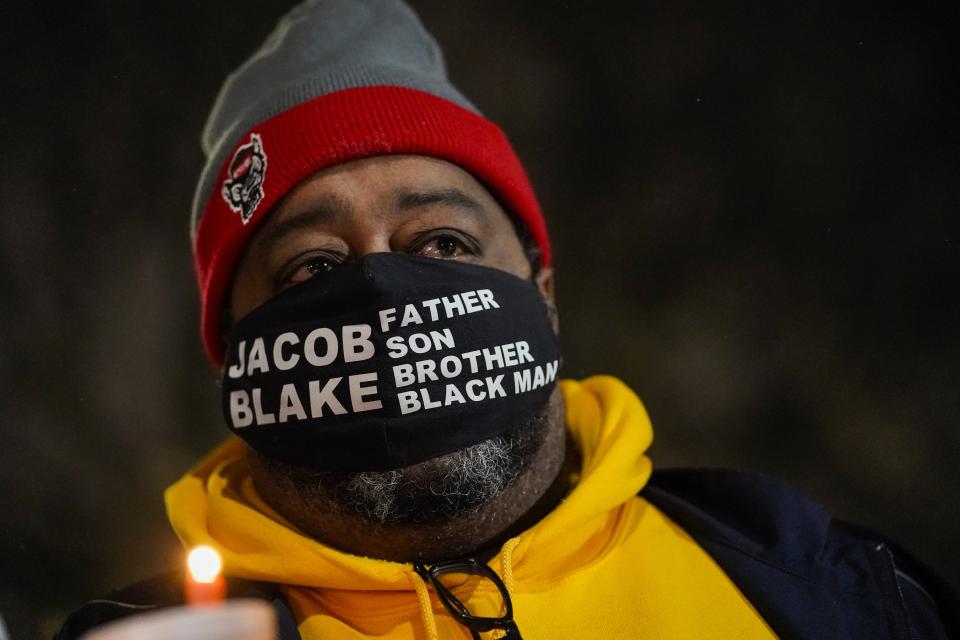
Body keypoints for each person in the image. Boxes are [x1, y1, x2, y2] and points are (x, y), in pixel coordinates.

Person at [57, 1, 956, 638]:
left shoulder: (832, 593)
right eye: (313, 266)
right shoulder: (155, 637)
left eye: (441, 243)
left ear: (543, 289)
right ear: (232, 355)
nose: (384, 291)